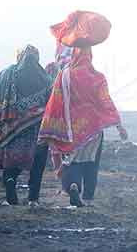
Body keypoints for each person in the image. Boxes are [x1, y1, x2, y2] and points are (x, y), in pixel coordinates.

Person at [38, 44, 128, 207]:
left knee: (72, 161)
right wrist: (119, 125)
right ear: (90, 56)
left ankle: (73, 185)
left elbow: (55, 100)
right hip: (93, 129)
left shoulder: (65, 75)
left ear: (75, 55)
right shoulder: (98, 77)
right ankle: (88, 195)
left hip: (71, 129)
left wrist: (50, 127)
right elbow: (106, 101)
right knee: (91, 162)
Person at [0, 45, 52, 206]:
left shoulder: (6, 74)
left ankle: (10, 183)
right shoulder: (45, 78)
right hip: (37, 130)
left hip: (11, 130)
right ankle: (33, 198)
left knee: (11, 162)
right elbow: (51, 104)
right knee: (37, 162)